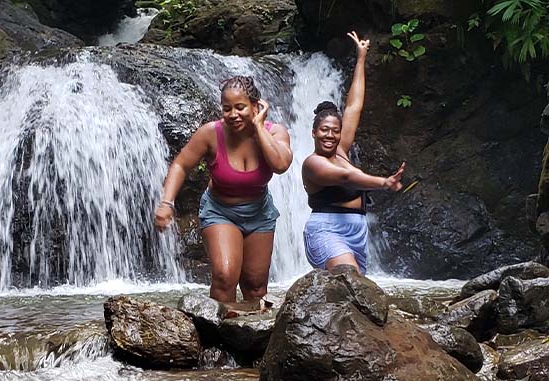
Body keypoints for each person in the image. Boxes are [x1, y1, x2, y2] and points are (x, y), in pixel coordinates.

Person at [154, 76, 293, 303]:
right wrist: (166, 203)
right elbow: (181, 165)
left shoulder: (276, 132)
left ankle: (252, 337)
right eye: (227, 108)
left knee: (256, 286)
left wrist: (258, 127)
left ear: (256, 106)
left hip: (259, 212)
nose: (233, 114)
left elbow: (280, 165)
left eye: (240, 107)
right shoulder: (210, 133)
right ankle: (218, 334)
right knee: (224, 276)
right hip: (220, 211)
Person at [302, 31, 405, 275]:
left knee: (352, 293)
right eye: (324, 130)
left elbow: (354, 105)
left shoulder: (341, 150)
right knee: (350, 280)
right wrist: (384, 182)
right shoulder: (313, 164)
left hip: (357, 229)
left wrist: (361, 58)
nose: (330, 135)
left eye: (335, 131)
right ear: (313, 133)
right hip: (326, 228)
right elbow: (346, 178)